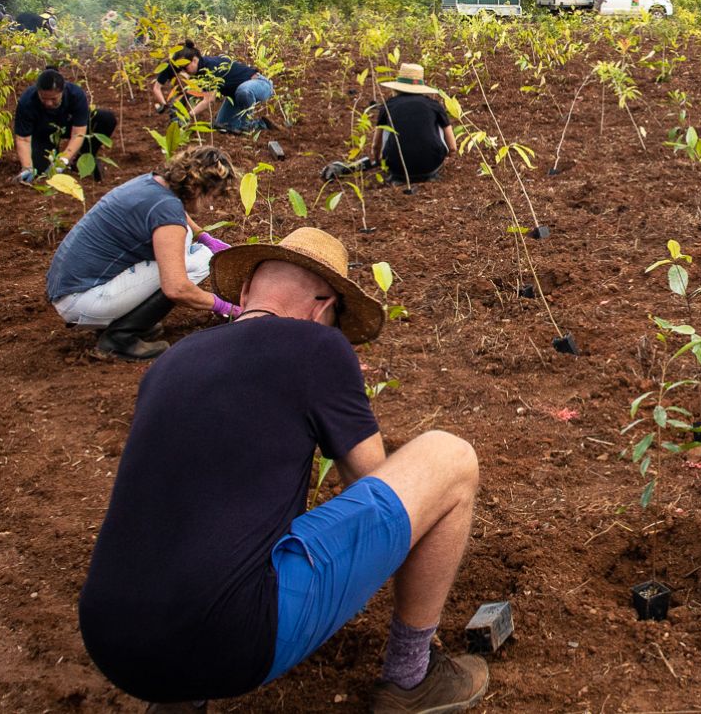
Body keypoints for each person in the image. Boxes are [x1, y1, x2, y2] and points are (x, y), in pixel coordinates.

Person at [78, 228, 488, 714]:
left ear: (247, 292)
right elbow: (375, 488)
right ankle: (411, 677)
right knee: (449, 458)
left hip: (110, 640)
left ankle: (179, 701)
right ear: (322, 309)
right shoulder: (316, 346)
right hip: (231, 640)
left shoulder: (170, 363)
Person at [44, 146, 239, 361]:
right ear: (197, 187)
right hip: (81, 301)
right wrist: (227, 307)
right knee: (196, 263)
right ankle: (120, 337)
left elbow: (177, 214)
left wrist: (205, 237)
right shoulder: (166, 212)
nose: (211, 203)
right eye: (212, 195)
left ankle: (131, 321)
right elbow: (176, 288)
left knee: (194, 248)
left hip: (70, 288)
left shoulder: (153, 185)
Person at [323, 64, 456, 186]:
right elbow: (453, 147)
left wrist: (379, 161)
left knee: (390, 125)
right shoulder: (434, 105)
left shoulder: (388, 105)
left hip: (397, 169)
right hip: (431, 167)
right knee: (434, 123)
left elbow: (376, 146)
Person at [14, 66, 118, 183]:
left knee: (105, 119)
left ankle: (81, 158)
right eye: (43, 98)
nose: (48, 103)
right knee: (42, 173)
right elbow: (23, 139)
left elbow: (78, 133)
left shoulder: (75, 94)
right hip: (42, 133)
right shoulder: (27, 101)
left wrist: (64, 160)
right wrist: (27, 167)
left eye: (54, 99)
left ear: (62, 91)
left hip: (68, 126)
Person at [151, 41, 274, 134]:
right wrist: (166, 106)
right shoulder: (194, 69)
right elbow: (160, 84)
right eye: (181, 68)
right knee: (222, 125)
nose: (184, 71)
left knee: (244, 91)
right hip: (235, 95)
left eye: (185, 68)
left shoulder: (209, 68)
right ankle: (262, 124)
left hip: (260, 85)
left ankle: (247, 122)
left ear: (194, 60)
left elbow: (209, 100)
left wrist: (186, 116)